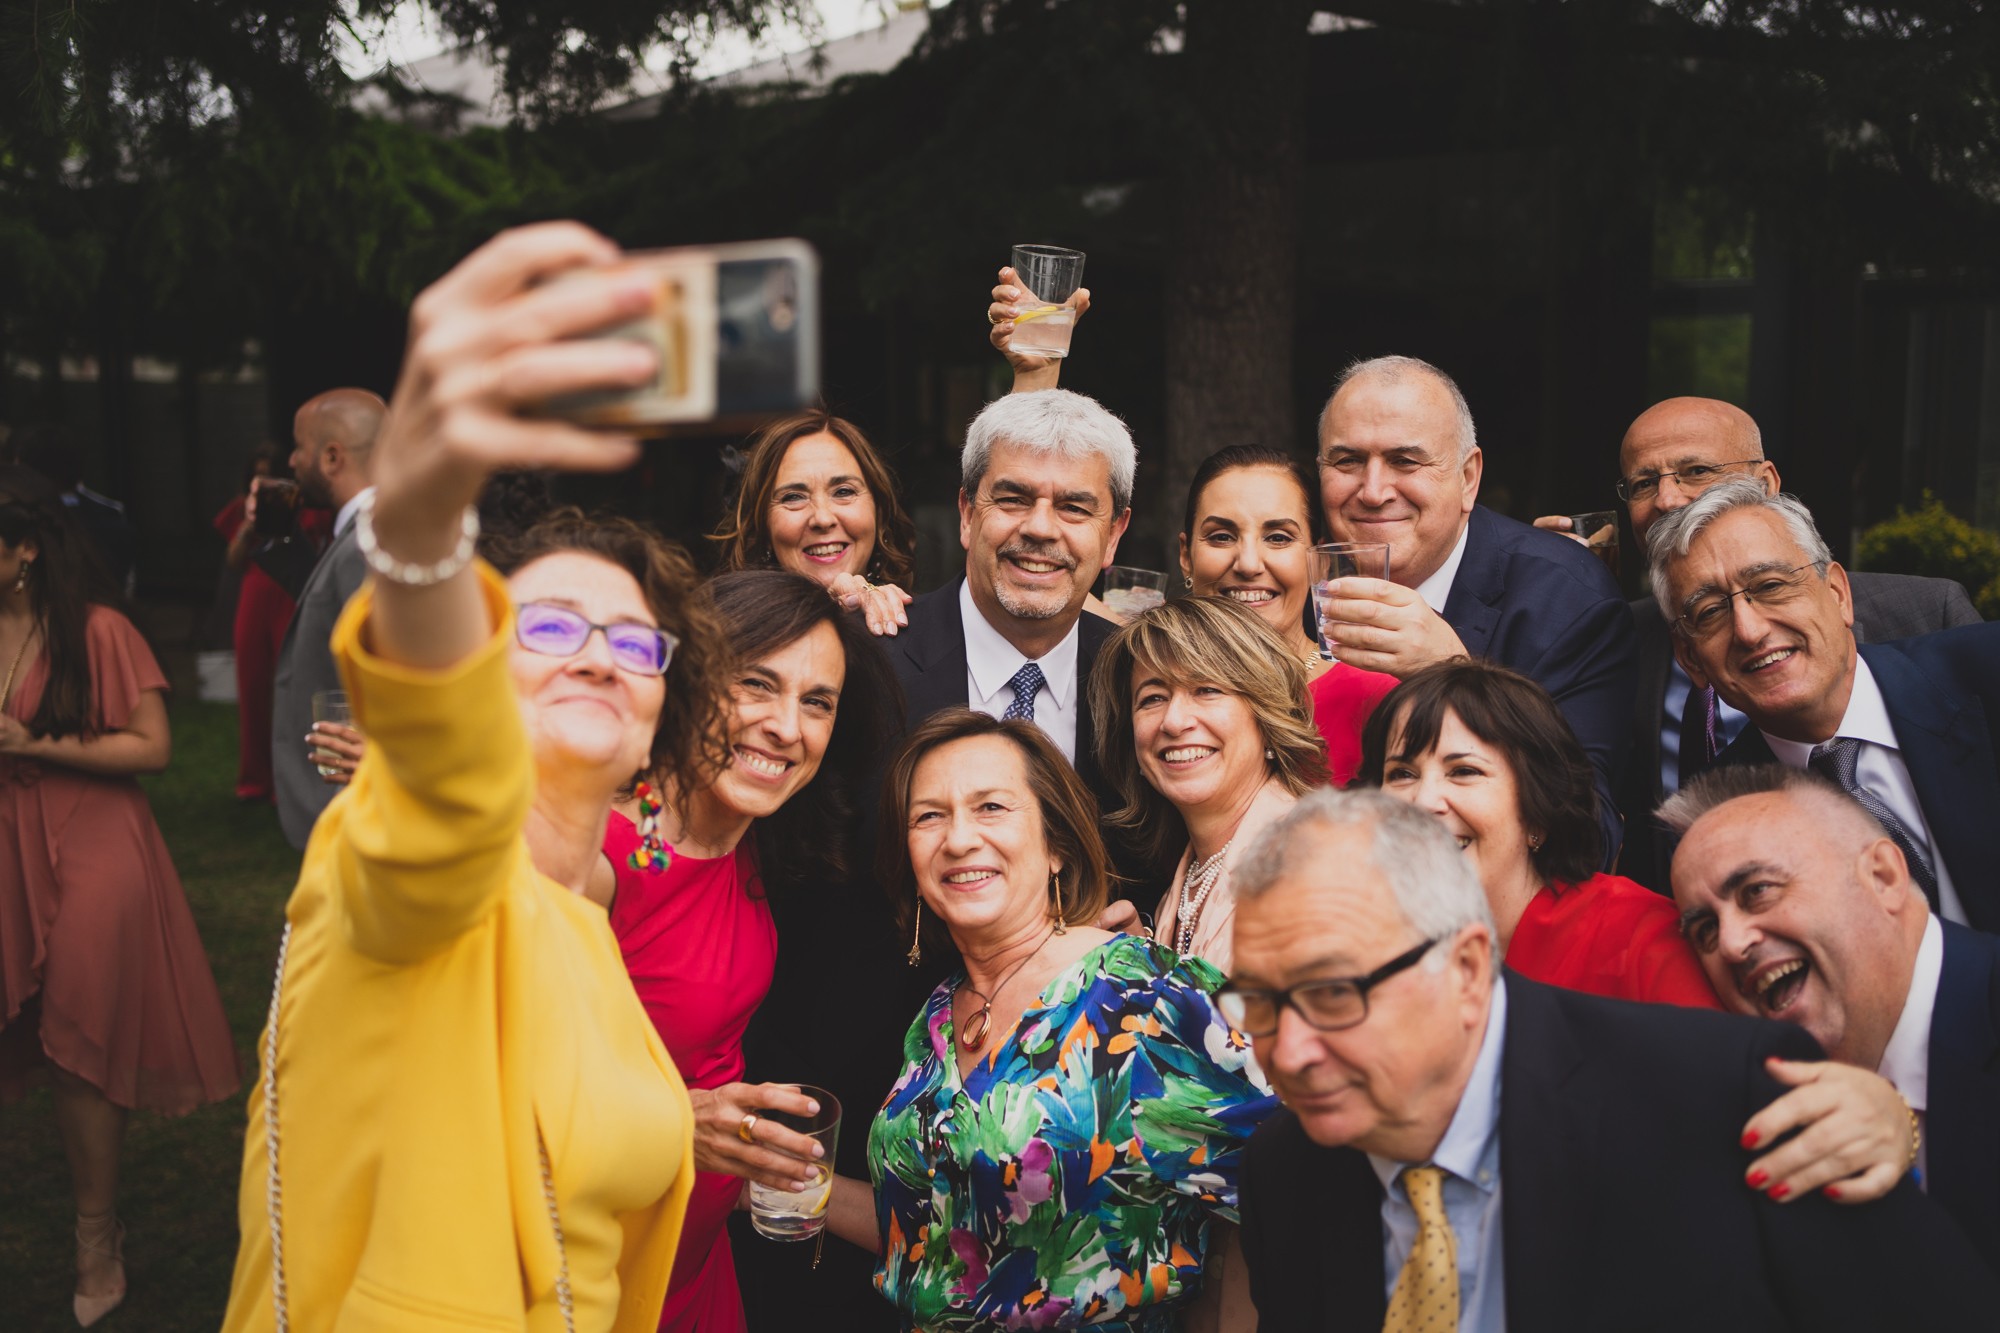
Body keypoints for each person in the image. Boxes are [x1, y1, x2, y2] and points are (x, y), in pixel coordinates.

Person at [220, 223, 728, 1331]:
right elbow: (446, 790)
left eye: (634, 642)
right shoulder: (402, 860)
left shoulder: (588, 921)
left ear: (658, 724)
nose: (597, 653)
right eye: (546, 626)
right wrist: (417, 526)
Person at [1225, 789, 1998, 1331]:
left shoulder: (1719, 1100)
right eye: (1257, 1000)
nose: (1288, 1050)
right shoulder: (1285, 1173)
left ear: (1465, 969)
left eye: (1332, 994)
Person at [824, 708, 1276, 1330]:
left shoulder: (1145, 998)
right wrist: (782, 1184)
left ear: (1057, 845)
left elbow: (1319, 1180)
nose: (958, 839)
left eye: (991, 807)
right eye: (929, 816)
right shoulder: (936, 1018)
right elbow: (937, 1243)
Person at [598, 567, 900, 1333]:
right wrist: (676, 1120)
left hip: (698, 1263)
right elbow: (496, 1085)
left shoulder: (758, 839)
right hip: (593, 1271)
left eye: (817, 701)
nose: (786, 725)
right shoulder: (604, 855)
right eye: (757, 684)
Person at [1543, 397, 1980, 890]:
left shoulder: (1930, 615)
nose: (1666, 499)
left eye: (1696, 471)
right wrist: (1550, 590)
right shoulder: (1611, 636)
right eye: (1644, 483)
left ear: (1766, 483)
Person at [0, 465, 240, 1327]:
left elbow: (153, 746)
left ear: (24, 551)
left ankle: (96, 1237)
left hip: (94, 837)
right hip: (8, 839)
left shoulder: (98, 629)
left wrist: (34, 742)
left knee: (79, 1035)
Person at [1662, 763, 2000, 1269]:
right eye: (1705, 930)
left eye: (1757, 890)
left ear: (1883, 876)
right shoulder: (1756, 1119)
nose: (1731, 944)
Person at [1313, 356, 1636, 864]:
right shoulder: (1303, 590)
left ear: (1468, 478)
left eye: (1406, 461)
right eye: (1347, 461)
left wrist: (1456, 671)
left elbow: (1591, 835)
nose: (1373, 492)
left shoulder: (1566, 601)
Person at [1646, 479, 2000, 932]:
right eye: (1710, 612)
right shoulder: (1717, 819)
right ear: (1691, 659)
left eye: (1770, 585)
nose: (1750, 630)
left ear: (1837, 594)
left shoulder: (1987, 674)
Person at [1352, 658, 1718, 1009]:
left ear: (1537, 810)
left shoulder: (1640, 941)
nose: (1423, 801)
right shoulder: (1363, 945)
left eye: (1463, 771)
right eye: (1401, 774)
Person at [883, 388, 1130, 832]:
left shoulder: (1137, 677)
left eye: (1074, 508)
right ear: (967, 514)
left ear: (1113, 535)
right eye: (1014, 499)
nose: (1040, 528)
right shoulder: (872, 663)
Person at [1089, 594, 1329, 970]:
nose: (1174, 721)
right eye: (1153, 698)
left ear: (1268, 717)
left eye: (1207, 690)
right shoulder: (1187, 879)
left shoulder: (1314, 866)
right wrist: (1146, 968)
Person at [1177, 443, 1397, 785]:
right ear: (1186, 556)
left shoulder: (1375, 696)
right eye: (1221, 537)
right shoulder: (1149, 696)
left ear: (1317, 560)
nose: (1248, 564)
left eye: (1278, 538)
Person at [269, 386, 386, 849]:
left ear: (332, 457)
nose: (292, 461)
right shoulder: (364, 534)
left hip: (354, 808)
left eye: (299, 447)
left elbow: (389, 675)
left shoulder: (368, 542)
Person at [710, 409, 921, 637]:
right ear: (762, 526)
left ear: (879, 514)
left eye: (843, 492)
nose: (822, 519)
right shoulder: (720, 641)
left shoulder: (922, 633)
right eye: (793, 497)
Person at [214, 445, 331, 802]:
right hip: (254, 592)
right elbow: (234, 560)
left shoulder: (308, 507)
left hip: (290, 593)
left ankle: (292, 777)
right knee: (251, 684)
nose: (262, 482)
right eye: (256, 474)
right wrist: (250, 525)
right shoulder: (243, 508)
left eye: (269, 474)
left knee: (294, 684)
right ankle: (255, 777)